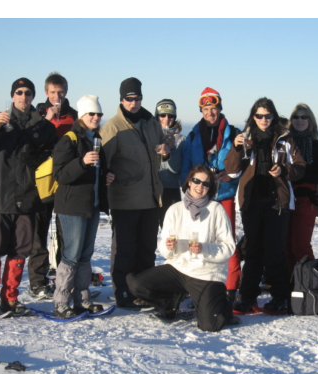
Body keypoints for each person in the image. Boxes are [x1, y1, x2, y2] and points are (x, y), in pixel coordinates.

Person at [0, 77, 58, 317]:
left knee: (20, 250)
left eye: (28, 93)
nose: (24, 96)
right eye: (19, 92)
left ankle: (10, 300)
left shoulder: (42, 126)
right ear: (12, 96)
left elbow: (53, 156)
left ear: (32, 96)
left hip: (28, 198)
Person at [127, 165, 238, 331]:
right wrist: (168, 247)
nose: (200, 186)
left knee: (210, 325)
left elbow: (228, 247)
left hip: (206, 273)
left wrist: (204, 249)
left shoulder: (216, 210)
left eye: (206, 184)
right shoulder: (174, 209)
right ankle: (170, 305)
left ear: (210, 187)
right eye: (196, 181)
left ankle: (222, 303)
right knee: (136, 284)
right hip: (178, 268)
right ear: (189, 182)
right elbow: (164, 247)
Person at [224, 97, 306, 314]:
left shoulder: (285, 139)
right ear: (253, 116)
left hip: (277, 203)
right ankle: (247, 297)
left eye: (267, 115)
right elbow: (232, 171)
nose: (263, 119)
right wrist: (235, 147)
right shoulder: (245, 139)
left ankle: (280, 298)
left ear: (273, 116)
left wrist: (283, 170)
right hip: (251, 203)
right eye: (259, 115)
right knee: (252, 251)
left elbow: (300, 168)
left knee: (274, 252)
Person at [100, 77, 170, 308]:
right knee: (125, 250)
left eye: (137, 98)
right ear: (121, 99)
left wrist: (165, 151)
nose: (133, 103)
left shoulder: (151, 123)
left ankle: (145, 290)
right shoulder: (112, 127)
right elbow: (103, 163)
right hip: (125, 199)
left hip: (151, 198)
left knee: (147, 249)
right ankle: (123, 292)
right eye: (129, 99)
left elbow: (160, 148)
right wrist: (107, 176)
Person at [52, 95, 115, 318]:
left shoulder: (96, 139)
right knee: (71, 254)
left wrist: (105, 176)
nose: (96, 117)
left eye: (98, 114)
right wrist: (81, 162)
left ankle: (81, 298)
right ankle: (61, 301)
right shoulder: (70, 140)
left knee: (86, 254)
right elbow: (59, 175)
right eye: (91, 114)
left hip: (92, 205)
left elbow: (97, 171)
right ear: (82, 116)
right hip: (72, 207)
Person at [181, 87, 241, 302]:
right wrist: (186, 187)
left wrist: (233, 174)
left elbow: (242, 162)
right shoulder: (194, 134)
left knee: (227, 240)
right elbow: (187, 164)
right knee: (199, 241)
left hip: (224, 194)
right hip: (200, 196)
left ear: (219, 108)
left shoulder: (233, 133)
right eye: (206, 108)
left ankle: (231, 287)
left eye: (213, 108)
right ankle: (199, 284)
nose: (210, 112)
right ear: (201, 111)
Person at [28, 72, 78, 298]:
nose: (57, 96)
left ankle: (64, 280)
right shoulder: (37, 114)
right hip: (42, 180)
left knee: (65, 233)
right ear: (46, 93)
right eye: (52, 92)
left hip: (66, 179)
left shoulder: (75, 116)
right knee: (39, 230)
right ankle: (38, 282)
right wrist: (46, 120)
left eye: (60, 92)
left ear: (66, 92)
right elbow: (28, 143)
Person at [284, 104, 318, 276]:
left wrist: (305, 187)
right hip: (284, 198)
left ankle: (309, 284)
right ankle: (290, 284)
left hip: (307, 198)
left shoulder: (316, 146)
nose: (300, 120)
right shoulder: (284, 144)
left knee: (300, 245)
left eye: (304, 117)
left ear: (310, 121)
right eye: (296, 117)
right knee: (284, 244)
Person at [155, 99, 186, 228]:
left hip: (170, 190)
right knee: (147, 234)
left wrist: (172, 149)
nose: (167, 119)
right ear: (157, 116)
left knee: (172, 233)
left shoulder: (181, 139)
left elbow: (175, 169)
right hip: (150, 189)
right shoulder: (149, 136)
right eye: (162, 115)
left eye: (171, 115)